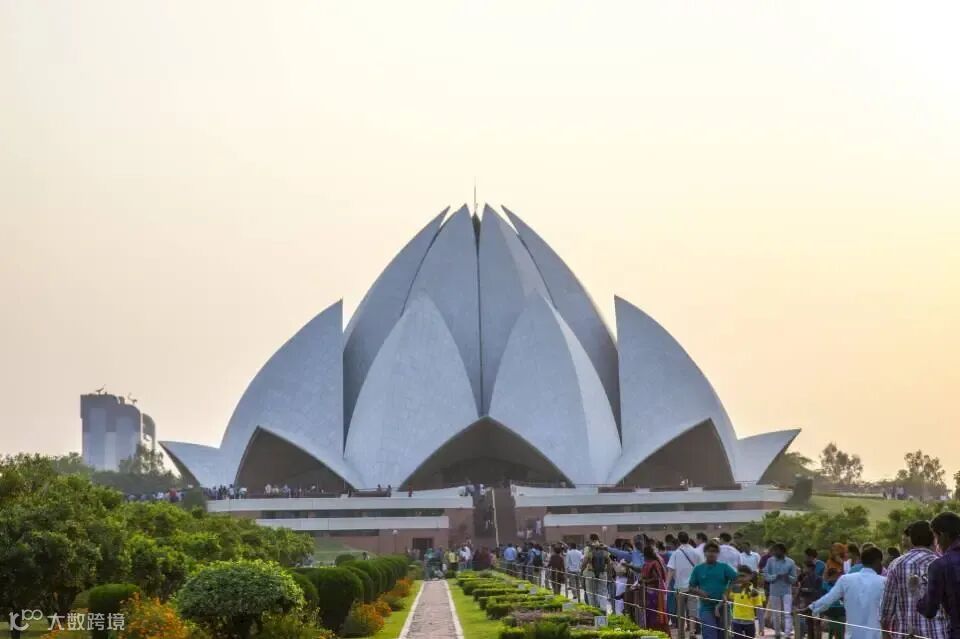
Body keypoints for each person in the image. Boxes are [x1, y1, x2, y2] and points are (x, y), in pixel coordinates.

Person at [881, 520, 948, 639]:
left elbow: (887, 607)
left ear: (911, 539)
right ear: (934, 538)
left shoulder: (896, 565)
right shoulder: (943, 564)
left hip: (906, 634)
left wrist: (885, 632)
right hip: (938, 633)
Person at [810, 546, 886, 639]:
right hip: (875, 636)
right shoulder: (884, 582)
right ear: (878, 561)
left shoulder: (846, 579)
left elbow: (828, 599)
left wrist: (811, 608)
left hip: (852, 635)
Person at [918, 511, 960, 639]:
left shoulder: (939, 565)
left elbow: (929, 610)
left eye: (935, 537)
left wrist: (917, 593)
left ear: (941, 535)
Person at [689, 541, 738, 639]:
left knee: (723, 635)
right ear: (705, 553)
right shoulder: (698, 569)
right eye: (709, 551)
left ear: (718, 554)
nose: (712, 554)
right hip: (706, 607)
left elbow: (736, 578)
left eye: (715, 551)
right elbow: (691, 587)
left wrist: (727, 592)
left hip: (723, 606)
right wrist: (700, 592)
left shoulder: (723, 567)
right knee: (710, 634)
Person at [668, 531, 705, 636]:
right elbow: (702, 568)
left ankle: (681, 633)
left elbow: (671, 570)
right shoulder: (696, 552)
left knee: (681, 612)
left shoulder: (676, 553)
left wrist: (666, 584)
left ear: (679, 540)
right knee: (692, 611)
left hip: (679, 586)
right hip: (693, 587)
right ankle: (692, 632)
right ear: (688, 539)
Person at [763, 543, 798, 637]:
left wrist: (787, 577)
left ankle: (787, 634)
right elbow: (766, 576)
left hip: (787, 591)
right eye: (774, 550)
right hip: (774, 591)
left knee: (787, 613)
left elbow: (794, 578)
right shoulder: (770, 561)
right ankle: (777, 633)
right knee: (776, 613)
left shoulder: (790, 562)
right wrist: (776, 576)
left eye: (777, 550)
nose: (775, 552)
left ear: (783, 551)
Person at [639, 544, 670, 631]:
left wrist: (645, 581)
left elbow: (657, 578)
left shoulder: (654, 564)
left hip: (653, 593)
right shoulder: (649, 563)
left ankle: (656, 632)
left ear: (646, 555)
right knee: (649, 613)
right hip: (649, 592)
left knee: (654, 614)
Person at [728, 566, 765, 639]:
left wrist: (761, 627)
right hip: (736, 622)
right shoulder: (735, 589)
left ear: (750, 576)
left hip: (749, 622)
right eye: (739, 576)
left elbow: (759, 610)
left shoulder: (754, 592)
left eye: (743, 576)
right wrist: (731, 623)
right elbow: (731, 602)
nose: (740, 578)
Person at [582, 533, 609, 610]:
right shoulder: (603, 547)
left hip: (590, 573)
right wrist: (609, 574)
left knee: (591, 593)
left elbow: (585, 560)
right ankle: (603, 610)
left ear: (590, 539)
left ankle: (593, 611)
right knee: (603, 593)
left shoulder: (588, 548)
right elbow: (608, 561)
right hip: (603, 573)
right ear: (598, 538)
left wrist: (581, 570)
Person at [820, 568, 847, 639]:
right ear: (832, 575)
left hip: (841, 610)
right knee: (831, 632)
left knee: (840, 632)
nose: (838, 577)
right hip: (830, 611)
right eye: (836, 575)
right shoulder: (825, 585)